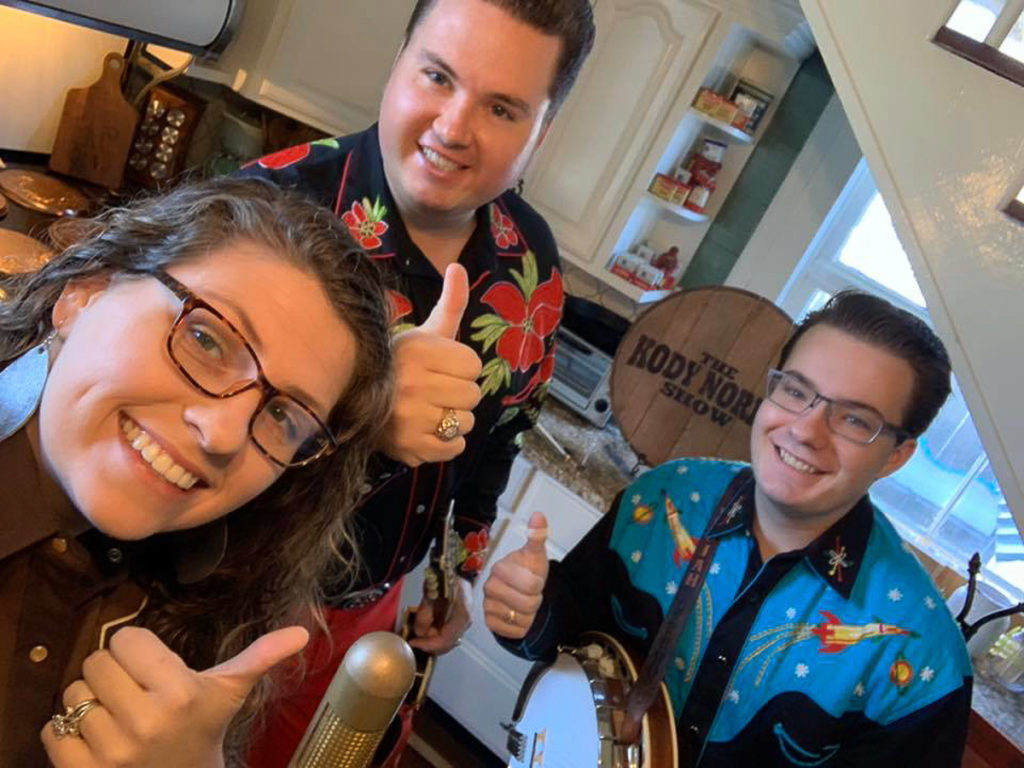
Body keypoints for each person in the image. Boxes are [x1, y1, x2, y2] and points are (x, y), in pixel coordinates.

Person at [240, 0, 596, 763]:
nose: (452, 129)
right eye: (437, 76)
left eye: (502, 107)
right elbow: (173, 430)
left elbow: (500, 436)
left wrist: (455, 575)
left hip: (371, 614)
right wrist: (362, 417)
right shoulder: (264, 211)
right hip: (221, 598)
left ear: (543, 132)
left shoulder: (529, 259)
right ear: (399, 60)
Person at [0, 176, 394, 768]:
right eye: (206, 339)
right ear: (84, 293)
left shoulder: (213, 608)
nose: (225, 434)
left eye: (284, 415)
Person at [486, 291, 973, 766]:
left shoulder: (924, 660)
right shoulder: (664, 498)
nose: (805, 429)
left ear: (896, 456)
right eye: (796, 391)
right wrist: (526, 611)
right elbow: (568, 632)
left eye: (853, 419)